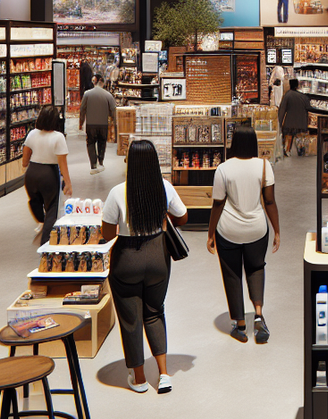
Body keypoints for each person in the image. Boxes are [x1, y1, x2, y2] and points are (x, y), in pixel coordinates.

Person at [100, 139, 187, 393]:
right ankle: (163, 374)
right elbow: (183, 216)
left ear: (130, 163)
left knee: (131, 318)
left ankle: (138, 379)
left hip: (127, 259)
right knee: (155, 312)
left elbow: (107, 233)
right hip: (158, 256)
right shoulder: (165, 188)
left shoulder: (118, 192)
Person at [207, 127, 281, 345]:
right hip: (257, 229)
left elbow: (218, 203)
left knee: (232, 274)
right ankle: (258, 315)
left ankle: (240, 326)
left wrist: (210, 233)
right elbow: (269, 201)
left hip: (228, 230)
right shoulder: (264, 166)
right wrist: (277, 230)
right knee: (256, 268)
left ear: (234, 143)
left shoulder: (223, 169)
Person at [20, 106, 72, 246]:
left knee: (34, 200)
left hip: (31, 174)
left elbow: (25, 162)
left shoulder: (32, 134)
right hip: (49, 174)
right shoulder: (58, 137)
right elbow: (62, 164)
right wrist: (67, 183)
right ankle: (46, 243)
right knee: (52, 209)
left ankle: (41, 222)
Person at [79, 74, 118, 174]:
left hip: (90, 124)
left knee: (91, 143)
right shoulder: (108, 95)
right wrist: (114, 122)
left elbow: (82, 109)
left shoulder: (87, 94)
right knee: (102, 142)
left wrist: (81, 122)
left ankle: (93, 164)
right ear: (102, 82)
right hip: (103, 124)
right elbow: (113, 110)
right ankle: (100, 162)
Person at [278, 77, 311, 156]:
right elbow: (309, 109)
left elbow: (282, 110)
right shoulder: (304, 97)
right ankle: (301, 150)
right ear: (298, 85)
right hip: (301, 123)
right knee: (300, 138)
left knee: (288, 137)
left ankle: (287, 150)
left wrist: (279, 123)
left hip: (289, 123)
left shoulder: (288, 95)